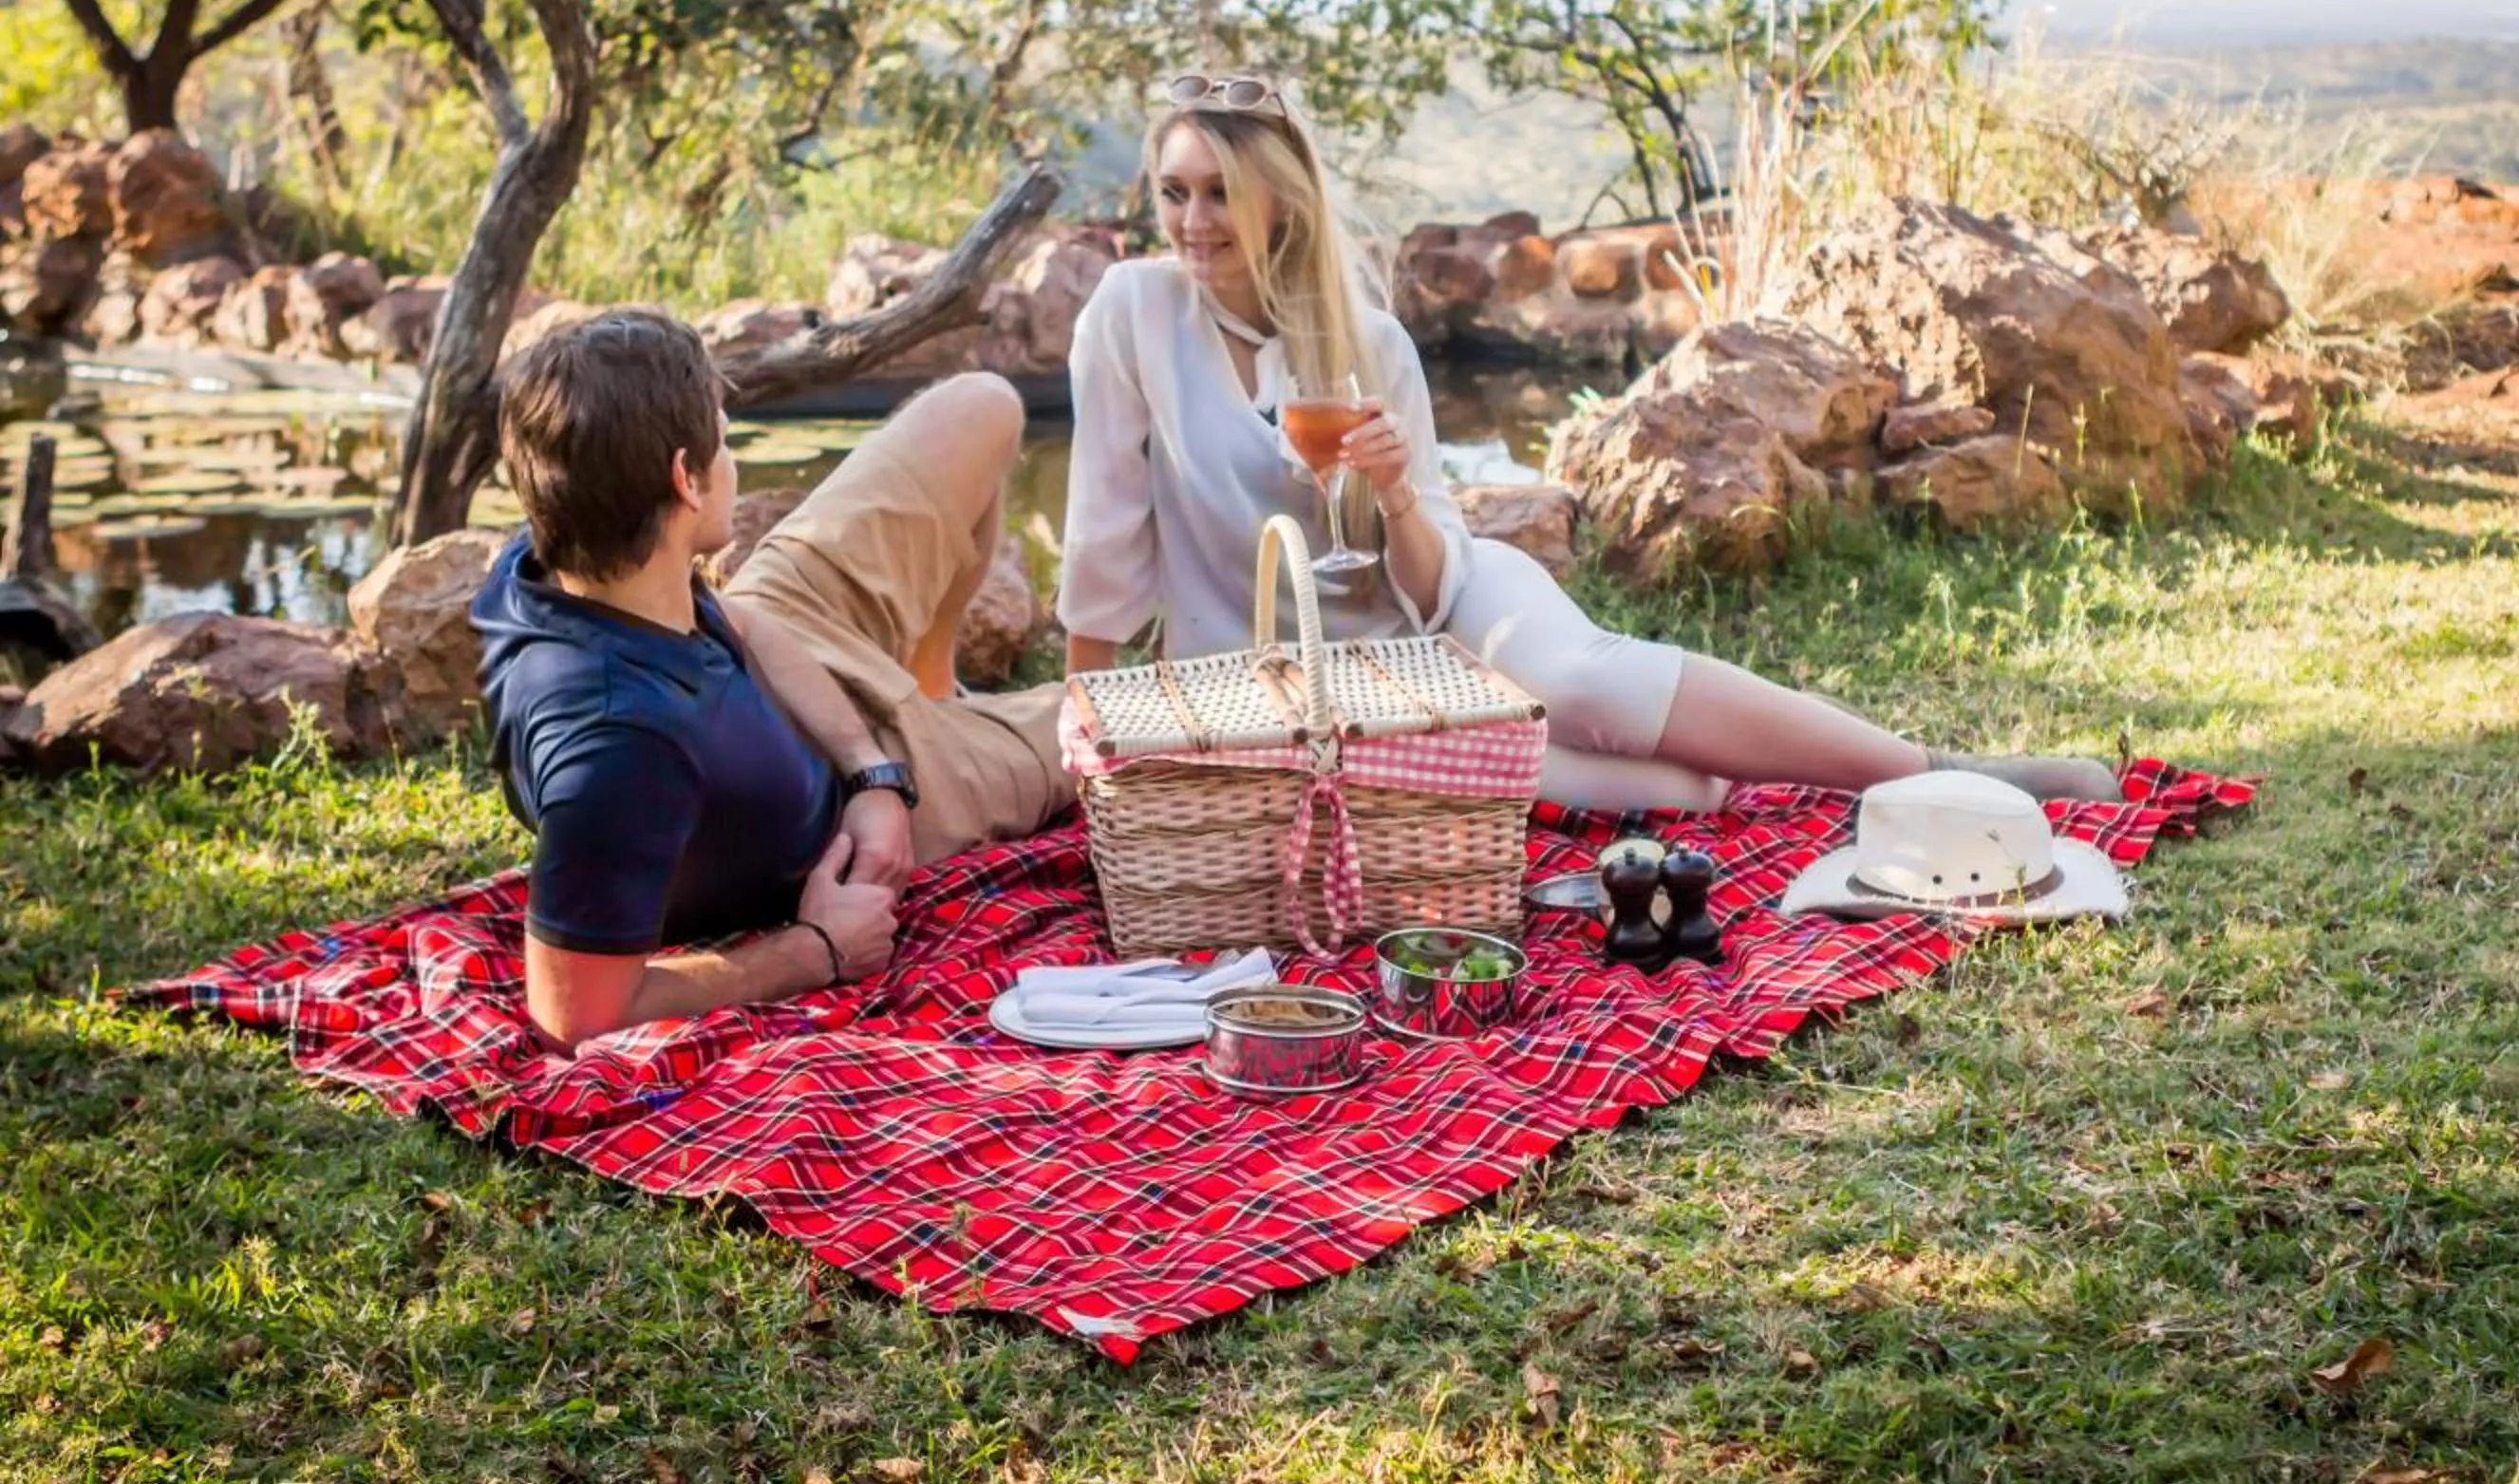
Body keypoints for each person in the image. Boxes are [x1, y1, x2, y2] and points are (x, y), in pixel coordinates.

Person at [1057, 73, 2119, 812]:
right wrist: (1087, 711)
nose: (1195, 220)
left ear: (1277, 200)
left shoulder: (1364, 341)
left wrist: (1390, 494)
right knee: (1657, 789)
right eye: (1175, 192)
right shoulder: (1133, 312)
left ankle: (1936, 768)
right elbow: (1105, 528)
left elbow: (1424, 582)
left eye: (1220, 193)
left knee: (1582, 682)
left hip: (1443, 602)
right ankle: (1730, 767)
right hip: (1291, 684)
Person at [473, 310, 1076, 1051]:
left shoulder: (564, 557)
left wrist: (874, 774)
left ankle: (935, 687)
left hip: (792, 658)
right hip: (863, 805)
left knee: (981, 406)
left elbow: (740, 621)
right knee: (1106, 720)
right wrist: (815, 949)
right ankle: (955, 741)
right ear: (684, 481)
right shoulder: (618, 750)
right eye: (724, 440)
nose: (732, 461)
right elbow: (575, 1013)